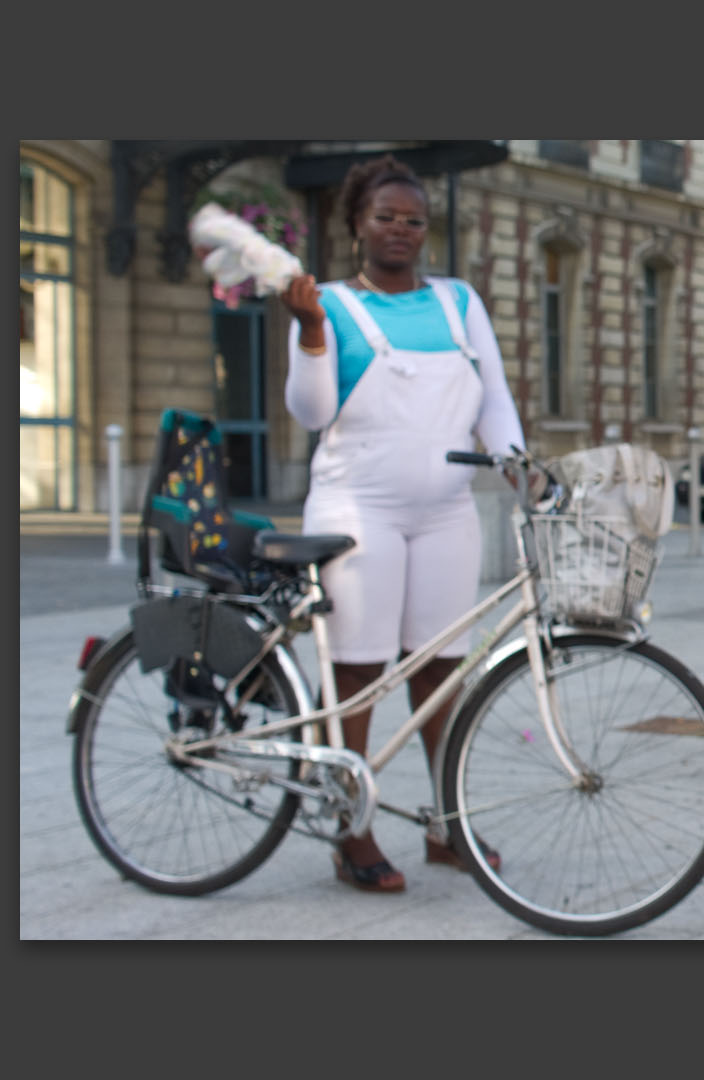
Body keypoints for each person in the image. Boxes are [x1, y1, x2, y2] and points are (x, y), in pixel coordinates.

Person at [279, 154, 527, 892]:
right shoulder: (326, 302)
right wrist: (311, 335)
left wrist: (518, 464)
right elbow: (312, 412)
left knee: (441, 670)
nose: (400, 230)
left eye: (413, 220)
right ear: (356, 222)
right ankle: (351, 829)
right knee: (358, 671)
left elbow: (494, 399)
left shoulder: (458, 303)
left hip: (448, 510)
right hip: (360, 510)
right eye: (385, 217)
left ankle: (447, 825)